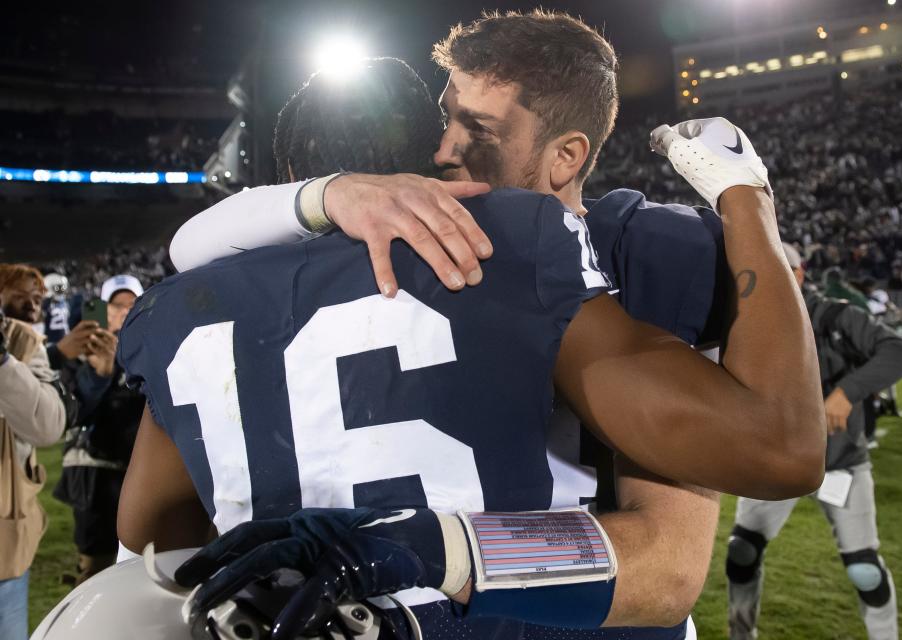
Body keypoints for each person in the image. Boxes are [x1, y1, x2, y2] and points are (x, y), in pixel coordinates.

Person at [116, 55, 822, 640]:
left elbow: (146, 552)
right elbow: (772, 454)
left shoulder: (178, 306)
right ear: (437, 151)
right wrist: (745, 196)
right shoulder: (515, 242)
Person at [725, 244, 902, 640]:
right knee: (741, 552)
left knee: (864, 569)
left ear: (798, 274)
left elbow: (900, 351)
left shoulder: (834, 315)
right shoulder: (742, 319)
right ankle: (740, 635)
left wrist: (847, 392)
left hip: (840, 460)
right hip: (774, 460)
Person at [0, 264, 75, 640]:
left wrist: (3, 363)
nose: (32, 305)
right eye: (22, 296)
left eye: (38, 298)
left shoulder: (23, 341)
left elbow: (48, 427)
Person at [54, 275, 142, 584]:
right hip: (96, 478)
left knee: (146, 570)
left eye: (132, 304)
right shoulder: (80, 352)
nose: (124, 311)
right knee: (98, 573)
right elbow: (70, 416)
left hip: (141, 473)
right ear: (102, 310)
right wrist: (98, 373)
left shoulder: (149, 350)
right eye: (117, 305)